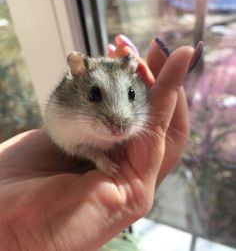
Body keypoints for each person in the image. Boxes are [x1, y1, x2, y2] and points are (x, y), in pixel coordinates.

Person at [0, 36, 202, 251]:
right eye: (96, 95)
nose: (118, 126)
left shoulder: (138, 110)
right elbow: (66, 140)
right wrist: (97, 156)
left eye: (130, 94)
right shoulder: (65, 111)